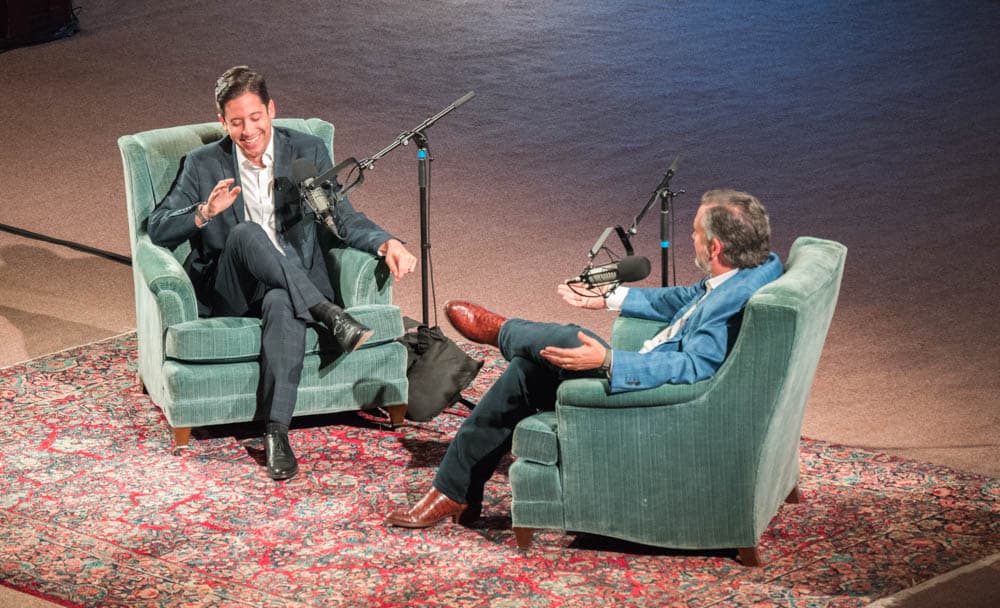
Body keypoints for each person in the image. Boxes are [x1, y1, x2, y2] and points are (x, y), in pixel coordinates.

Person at [384, 189, 782, 527]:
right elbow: (686, 298)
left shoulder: (732, 301)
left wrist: (608, 362)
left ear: (715, 247)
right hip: (647, 370)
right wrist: (608, 297)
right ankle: (455, 491)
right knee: (526, 371)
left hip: (654, 396)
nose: (691, 238)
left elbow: (695, 366)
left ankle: (503, 332)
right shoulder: (756, 268)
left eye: (695, 233)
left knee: (567, 340)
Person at [148, 66, 417, 481]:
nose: (248, 130)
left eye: (255, 118)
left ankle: (276, 432)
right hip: (232, 286)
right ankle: (328, 313)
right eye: (236, 122)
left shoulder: (304, 151)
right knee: (246, 233)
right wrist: (204, 212)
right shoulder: (203, 163)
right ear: (223, 122)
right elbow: (157, 228)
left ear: (271, 110)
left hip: (288, 284)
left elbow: (342, 218)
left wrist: (387, 243)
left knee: (281, 301)